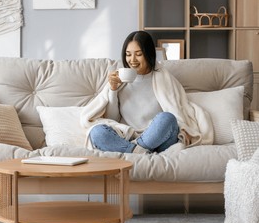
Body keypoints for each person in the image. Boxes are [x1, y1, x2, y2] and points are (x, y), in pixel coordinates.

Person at [80, 31, 214, 154]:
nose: (132, 60)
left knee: (167, 118)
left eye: (138, 54)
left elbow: (177, 112)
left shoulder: (163, 77)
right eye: (128, 54)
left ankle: (133, 150)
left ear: (149, 53)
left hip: (159, 139)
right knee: (97, 132)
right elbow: (112, 119)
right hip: (127, 136)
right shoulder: (120, 78)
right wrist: (113, 90)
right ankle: (140, 152)